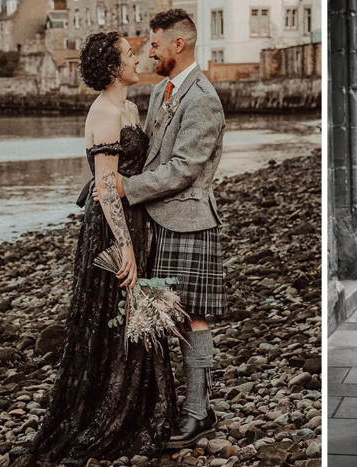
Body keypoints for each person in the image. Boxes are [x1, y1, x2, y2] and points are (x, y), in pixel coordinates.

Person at [24, 32, 177, 464]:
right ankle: (109, 411)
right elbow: (107, 188)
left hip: (135, 219)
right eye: (129, 55)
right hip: (113, 227)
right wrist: (125, 246)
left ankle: (141, 402)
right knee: (113, 311)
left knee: (136, 310)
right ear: (112, 68)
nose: (137, 58)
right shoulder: (105, 112)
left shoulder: (129, 106)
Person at [95, 9, 227, 448]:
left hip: (188, 221)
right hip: (155, 219)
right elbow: (152, 154)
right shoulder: (161, 92)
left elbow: (185, 168)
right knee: (156, 316)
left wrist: (126, 187)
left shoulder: (203, 97)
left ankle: (198, 412)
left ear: (178, 45)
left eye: (154, 44)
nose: (149, 52)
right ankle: (161, 405)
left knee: (192, 317)